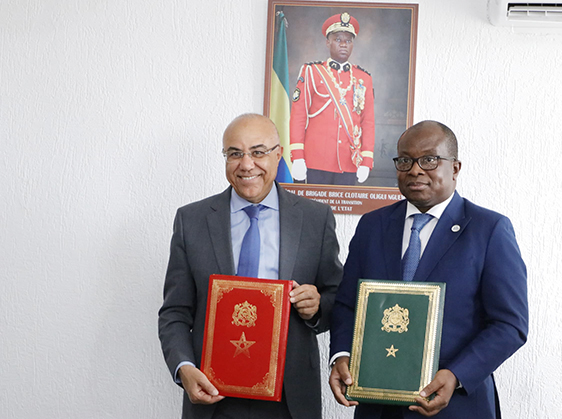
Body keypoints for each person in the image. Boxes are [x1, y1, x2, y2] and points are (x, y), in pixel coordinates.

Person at [328, 120, 528, 418]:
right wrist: (341, 354)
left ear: (455, 168)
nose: (415, 170)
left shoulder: (489, 230)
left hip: (455, 405)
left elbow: (510, 324)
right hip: (378, 405)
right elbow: (347, 304)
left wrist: (457, 375)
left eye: (429, 159)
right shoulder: (373, 225)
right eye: (405, 160)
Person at [158, 113, 343, 419]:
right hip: (213, 394)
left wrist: (318, 306)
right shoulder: (192, 221)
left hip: (289, 398)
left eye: (258, 152)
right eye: (235, 153)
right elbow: (175, 312)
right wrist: (184, 368)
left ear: (278, 154)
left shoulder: (314, 219)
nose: (246, 164)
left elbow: (338, 298)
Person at [289, 12, 375, 186]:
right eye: (338, 39)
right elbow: (298, 117)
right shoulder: (312, 72)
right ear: (327, 42)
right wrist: (298, 156)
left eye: (348, 41)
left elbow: (368, 122)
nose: (343, 44)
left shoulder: (363, 78)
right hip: (316, 161)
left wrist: (366, 160)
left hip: (350, 162)